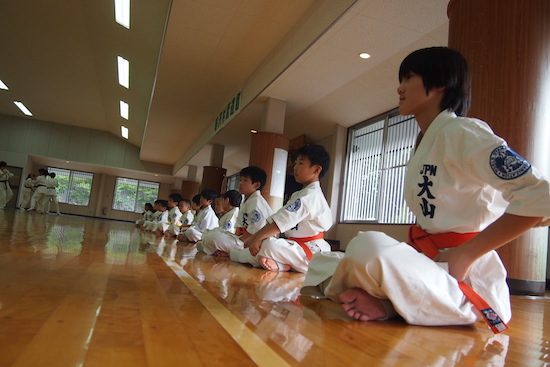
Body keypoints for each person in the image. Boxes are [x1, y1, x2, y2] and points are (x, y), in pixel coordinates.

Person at [301, 47, 550, 328]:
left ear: (440, 82)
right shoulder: (427, 139)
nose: (399, 88)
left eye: (409, 78)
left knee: (366, 247)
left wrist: (466, 254)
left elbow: (541, 196)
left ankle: (409, 302)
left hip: (463, 272)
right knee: (325, 260)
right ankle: (396, 302)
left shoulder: (464, 133)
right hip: (428, 260)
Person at [231, 145, 333, 273]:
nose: (295, 167)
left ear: (317, 170)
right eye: (295, 163)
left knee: (267, 245)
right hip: (295, 248)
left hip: (310, 251)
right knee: (254, 249)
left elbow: (281, 221)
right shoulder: (300, 194)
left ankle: (284, 264)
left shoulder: (311, 196)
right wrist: (255, 237)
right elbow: (279, 218)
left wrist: (257, 238)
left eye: (301, 163)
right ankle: (282, 265)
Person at [205, 166, 273, 257]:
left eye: (245, 180)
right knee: (211, 234)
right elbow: (238, 228)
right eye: (240, 180)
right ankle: (231, 252)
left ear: (256, 185)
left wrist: (239, 241)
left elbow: (257, 228)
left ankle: (233, 252)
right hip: (243, 239)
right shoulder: (247, 201)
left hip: (252, 242)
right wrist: (235, 239)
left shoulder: (256, 201)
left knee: (214, 238)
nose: (240, 183)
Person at [201, 189, 242, 255]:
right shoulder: (230, 213)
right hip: (228, 239)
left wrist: (213, 232)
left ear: (226, 201)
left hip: (233, 240)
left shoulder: (233, 214)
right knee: (207, 239)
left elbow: (228, 231)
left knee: (213, 237)